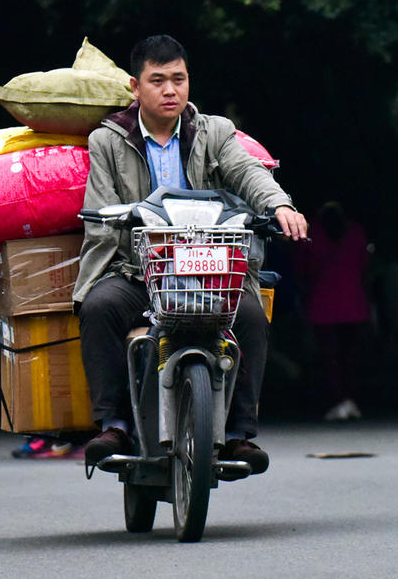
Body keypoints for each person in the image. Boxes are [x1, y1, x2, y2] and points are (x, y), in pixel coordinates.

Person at [73, 35, 308, 475]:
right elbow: (101, 209)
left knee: (253, 317)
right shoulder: (107, 140)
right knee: (99, 306)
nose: (170, 91)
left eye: (178, 79)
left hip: (208, 270)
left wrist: (280, 205)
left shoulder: (213, 131)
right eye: (157, 80)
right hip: (137, 271)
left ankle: (239, 434)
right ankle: (113, 423)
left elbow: (246, 172)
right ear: (134, 87)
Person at [297, 202, 371, 420]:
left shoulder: (312, 233)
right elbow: (365, 265)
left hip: (323, 307)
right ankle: (350, 399)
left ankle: (338, 400)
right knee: (350, 357)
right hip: (354, 305)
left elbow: (302, 268)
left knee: (330, 359)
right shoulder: (355, 232)